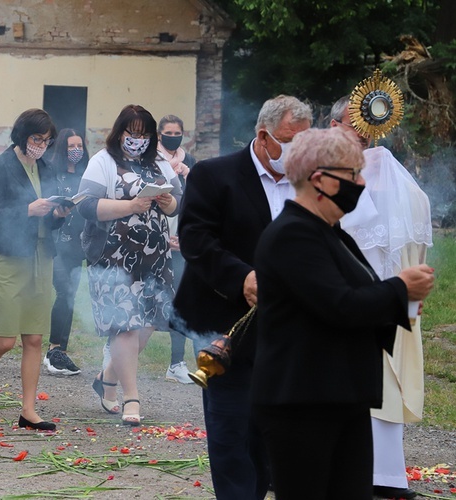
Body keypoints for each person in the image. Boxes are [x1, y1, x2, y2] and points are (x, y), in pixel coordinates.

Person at [251, 127, 435, 499]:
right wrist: (399, 288)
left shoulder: (333, 233)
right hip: (304, 404)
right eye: (353, 175)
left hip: (341, 396)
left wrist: (399, 297)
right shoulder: (293, 235)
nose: (362, 183)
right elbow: (339, 306)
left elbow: (358, 296)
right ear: (320, 180)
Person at [174, 95, 312, 499]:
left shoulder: (309, 181)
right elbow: (196, 239)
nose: (296, 151)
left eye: (303, 142)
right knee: (231, 428)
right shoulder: (215, 175)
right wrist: (242, 278)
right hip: (225, 323)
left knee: (271, 430)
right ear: (263, 136)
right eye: (289, 140)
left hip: (286, 328)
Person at [332, 96, 432, 500]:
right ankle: (390, 473)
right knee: (389, 378)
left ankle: (372, 473)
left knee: (361, 380)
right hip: (404, 300)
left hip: (361, 299)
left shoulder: (352, 183)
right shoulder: (412, 188)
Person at [77, 104, 182, 426]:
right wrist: (130, 206)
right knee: (125, 325)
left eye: (144, 134)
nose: (138, 140)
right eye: (132, 133)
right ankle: (131, 398)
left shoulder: (159, 162)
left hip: (155, 257)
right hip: (115, 257)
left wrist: (167, 202)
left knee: (148, 325)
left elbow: (177, 203)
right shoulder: (103, 161)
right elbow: (87, 206)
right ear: (120, 132)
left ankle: (108, 378)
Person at [0, 108, 68, 431]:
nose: (41, 145)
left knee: (35, 338)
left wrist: (58, 215)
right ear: (22, 135)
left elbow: (47, 220)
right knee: (6, 339)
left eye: (47, 140)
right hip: (8, 259)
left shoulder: (46, 167)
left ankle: (28, 409)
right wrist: (28, 209)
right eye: (37, 138)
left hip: (41, 257)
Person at [44, 128, 89, 376]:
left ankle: (60, 349)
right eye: (71, 146)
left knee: (69, 295)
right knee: (64, 292)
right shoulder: (52, 173)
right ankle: (54, 350)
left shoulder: (87, 174)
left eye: (79, 146)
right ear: (62, 148)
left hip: (78, 245)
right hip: (56, 242)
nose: (76, 151)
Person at [157, 114, 196, 385]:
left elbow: (198, 199)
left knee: (184, 301)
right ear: (159, 135)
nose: (173, 136)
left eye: (177, 132)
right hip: (157, 240)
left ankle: (178, 362)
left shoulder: (190, 161)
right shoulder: (152, 161)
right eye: (168, 132)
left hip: (184, 243)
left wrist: (188, 174)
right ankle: (114, 357)